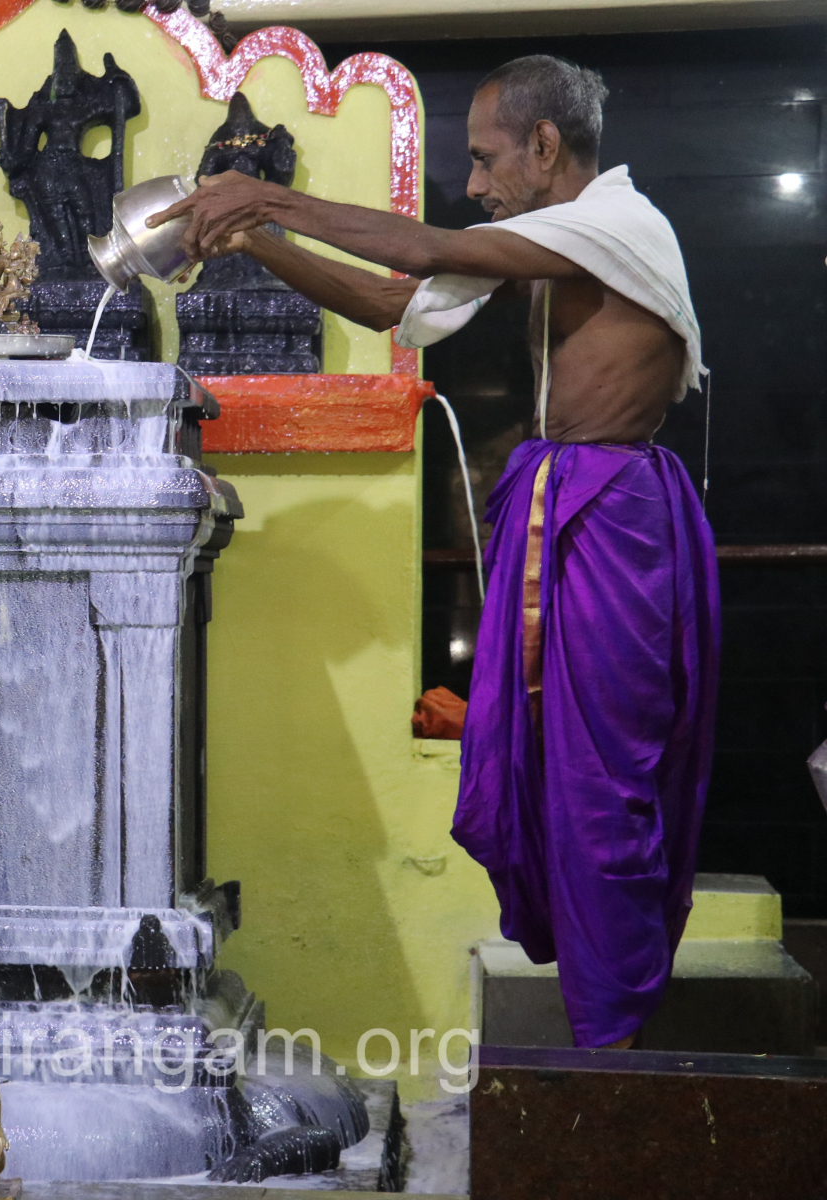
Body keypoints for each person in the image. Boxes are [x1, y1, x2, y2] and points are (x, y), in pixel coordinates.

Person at [152, 55, 718, 1050]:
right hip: (569, 506)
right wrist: (258, 239)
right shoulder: (551, 241)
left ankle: (617, 1050)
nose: (474, 181)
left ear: (545, 144)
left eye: (487, 158)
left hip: (615, 519)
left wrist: (266, 192)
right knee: (556, 769)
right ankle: (602, 1029)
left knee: (603, 779)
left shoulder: (615, 226)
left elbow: (423, 246)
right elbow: (394, 307)